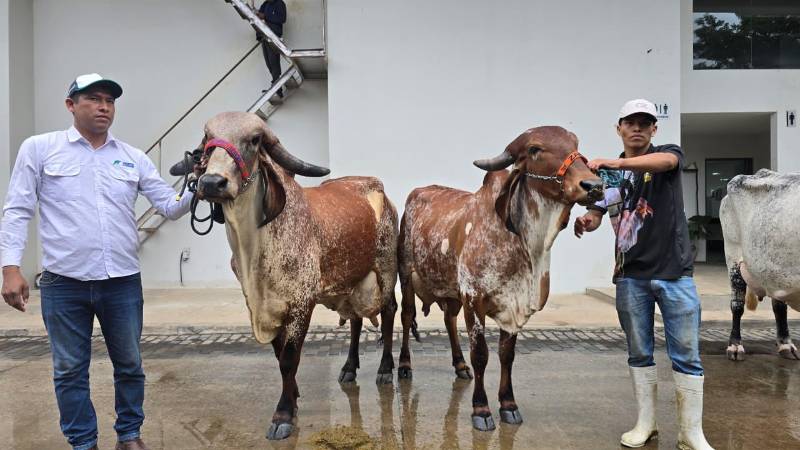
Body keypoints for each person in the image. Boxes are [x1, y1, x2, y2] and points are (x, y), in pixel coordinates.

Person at [0, 73, 194, 450]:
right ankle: (83, 442)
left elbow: (169, 207)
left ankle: (129, 435)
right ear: (71, 105)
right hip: (63, 283)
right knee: (70, 369)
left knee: (130, 365)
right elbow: (17, 210)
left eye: (109, 100)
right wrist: (10, 268)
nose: (104, 106)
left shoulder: (132, 157)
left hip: (121, 281)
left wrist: (200, 184)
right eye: (93, 99)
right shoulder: (40, 149)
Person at [574, 99, 714, 450]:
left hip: (674, 273)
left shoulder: (668, 154)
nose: (637, 128)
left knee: (686, 353)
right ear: (618, 128)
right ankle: (645, 424)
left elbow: (664, 162)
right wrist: (586, 221)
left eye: (644, 123)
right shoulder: (609, 176)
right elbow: (598, 210)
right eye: (630, 122)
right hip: (630, 276)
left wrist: (616, 161)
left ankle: (691, 433)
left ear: (654, 129)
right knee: (639, 352)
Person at [257, 0, 287, 98]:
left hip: (273, 37)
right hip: (264, 37)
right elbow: (258, 18)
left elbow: (282, 18)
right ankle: (276, 86)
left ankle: (277, 87)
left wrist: (265, 16)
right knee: (269, 63)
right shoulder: (265, 4)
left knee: (274, 62)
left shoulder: (279, 3)